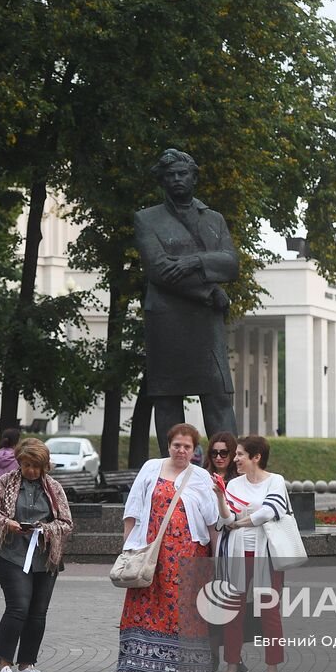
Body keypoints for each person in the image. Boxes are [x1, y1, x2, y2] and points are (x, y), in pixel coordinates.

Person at [132, 149, 239, 449]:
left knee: (219, 397)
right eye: (170, 175)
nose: (177, 179)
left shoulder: (214, 219)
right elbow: (160, 270)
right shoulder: (147, 218)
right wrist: (210, 290)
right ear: (162, 180)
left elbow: (231, 265)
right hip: (168, 321)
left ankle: (228, 468)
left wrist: (193, 261)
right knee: (167, 399)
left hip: (206, 322)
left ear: (194, 177)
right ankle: (173, 467)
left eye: (183, 173)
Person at [112, 423, 220, 672]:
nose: (181, 451)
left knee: (183, 610)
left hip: (189, 554)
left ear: (194, 450)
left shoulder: (201, 477)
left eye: (187, 447)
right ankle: (129, 667)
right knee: (140, 605)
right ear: (169, 446)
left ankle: (180, 670)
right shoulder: (151, 468)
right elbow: (133, 508)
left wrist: (215, 558)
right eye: (177, 445)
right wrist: (129, 547)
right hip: (151, 553)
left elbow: (211, 520)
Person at [0, 438, 74, 672]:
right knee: (18, 607)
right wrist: (7, 523)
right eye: (26, 465)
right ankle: (3, 666)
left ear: (45, 466)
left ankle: (27, 664)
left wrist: (46, 529)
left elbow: (66, 523)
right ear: (19, 463)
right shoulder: (5, 482)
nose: (31, 470)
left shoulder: (54, 487)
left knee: (38, 612)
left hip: (45, 558)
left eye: (36, 466)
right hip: (12, 555)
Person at [214, 435, 291, 672]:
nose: (234, 459)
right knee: (233, 611)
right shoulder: (234, 485)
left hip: (266, 555)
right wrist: (220, 497)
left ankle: (272, 669)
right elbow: (227, 519)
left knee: (269, 611)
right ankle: (232, 666)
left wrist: (240, 523)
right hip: (237, 553)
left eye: (239, 455)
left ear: (256, 457)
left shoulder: (275, 481)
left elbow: (269, 511)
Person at [201, 429, 240, 672]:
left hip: (233, 547)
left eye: (224, 453)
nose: (218, 457)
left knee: (235, 605)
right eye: (214, 453)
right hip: (207, 547)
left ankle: (235, 656)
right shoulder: (202, 478)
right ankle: (213, 655)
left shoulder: (239, 480)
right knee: (211, 604)